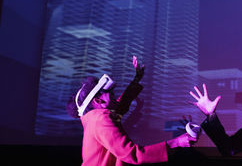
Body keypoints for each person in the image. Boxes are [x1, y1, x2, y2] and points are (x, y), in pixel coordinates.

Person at [67, 56, 198, 166]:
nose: (113, 94)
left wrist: (137, 78)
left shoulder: (94, 118)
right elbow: (132, 154)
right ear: (97, 101)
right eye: (108, 92)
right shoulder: (100, 119)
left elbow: (120, 105)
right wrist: (176, 142)